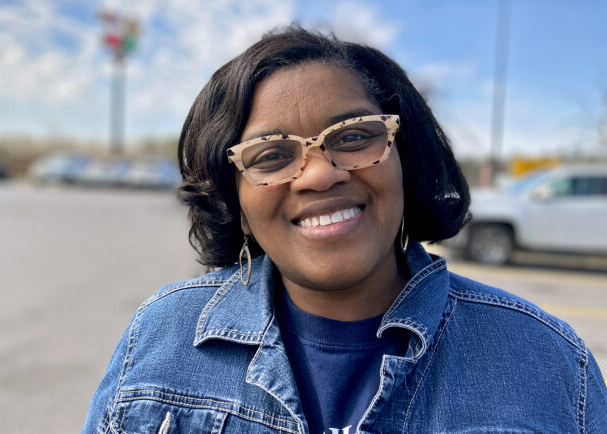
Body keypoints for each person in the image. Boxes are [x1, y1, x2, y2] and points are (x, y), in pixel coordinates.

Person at [82, 26, 606, 433]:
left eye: (353, 137)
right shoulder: (160, 339)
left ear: (406, 157)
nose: (320, 173)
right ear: (233, 198)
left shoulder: (548, 362)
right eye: (270, 155)